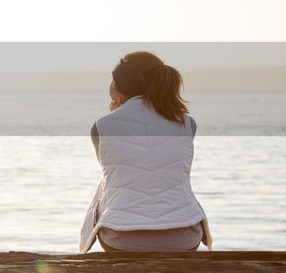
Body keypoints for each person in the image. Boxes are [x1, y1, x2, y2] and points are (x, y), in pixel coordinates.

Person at [78, 51, 212, 253]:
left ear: (119, 85)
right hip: (184, 237)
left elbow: (115, 174)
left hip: (121, 239)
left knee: (109, 184)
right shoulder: (186, 124)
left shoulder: (102, 127)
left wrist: (117, 116)